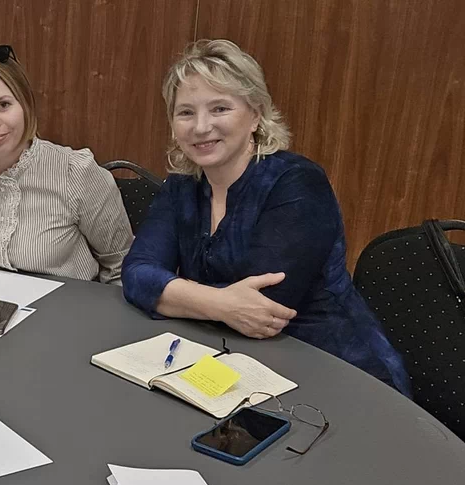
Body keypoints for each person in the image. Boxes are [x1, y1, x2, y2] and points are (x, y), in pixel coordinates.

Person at [122, 40, 411, 397]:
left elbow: (266, 309)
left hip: (336, 373)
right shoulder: (182, 186)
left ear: (256, 114)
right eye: (185, 113)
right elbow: (136, 275)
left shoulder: (296, 182)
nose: (201, 126)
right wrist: (222, 304)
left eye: (220, 108)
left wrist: (175, 294)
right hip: (231, 364)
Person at [0, 45, 133, 284]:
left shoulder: (76, 172)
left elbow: (121, 268)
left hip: (67, 305)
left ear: (25, 104)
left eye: (3, 105)